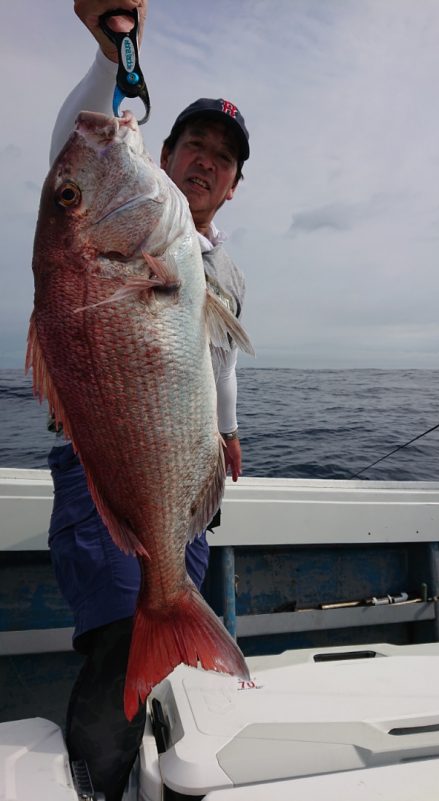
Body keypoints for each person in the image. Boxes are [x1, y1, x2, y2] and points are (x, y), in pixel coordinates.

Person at [46, 2, 250, 800]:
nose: (205, 160)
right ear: (160, 152)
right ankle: (99, 788)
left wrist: (227, 437)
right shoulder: (107, 220)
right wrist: (109, 52)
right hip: (108, 470)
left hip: (184, 479)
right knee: (113, 653)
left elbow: (220, 364)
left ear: (233, 187)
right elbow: (83, 135)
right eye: (193, 143)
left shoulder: (219, 270)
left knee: (161, 654)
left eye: (223, 157)